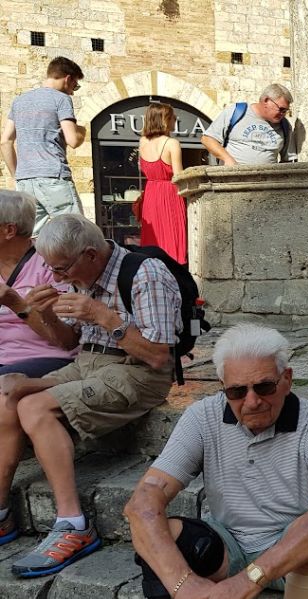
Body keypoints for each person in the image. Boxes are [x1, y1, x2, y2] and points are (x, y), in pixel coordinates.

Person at [0, 213, 180, 577]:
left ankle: (73, 525)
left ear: (90, 255)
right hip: (88, 364)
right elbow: (68, 342)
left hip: (138, 372)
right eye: (51, 269)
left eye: (62, 269)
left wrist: (104, 316)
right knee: (8, 394)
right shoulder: (77, 275)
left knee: (34, 406)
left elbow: (159, 356)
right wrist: (41, 312)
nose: (56, 278)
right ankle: (1, 515)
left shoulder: (147, 274)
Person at [124, 324, 308, 599]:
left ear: (287, 379)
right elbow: (143, 502)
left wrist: (250, 579)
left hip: (291, 550)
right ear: (223, 388)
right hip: (229, 541)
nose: (252, 401)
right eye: (237, 392)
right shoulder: (202, 417)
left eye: (265, 386)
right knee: (160, 533)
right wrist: (183, 585)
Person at [0, 57, 85, 235]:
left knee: (31, 238)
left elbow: (5, 141)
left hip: (25, 181)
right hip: (53, 175)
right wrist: (82, 131)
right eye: (74, 86)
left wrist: (18, 175)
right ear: (67, 79)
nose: (73, 92)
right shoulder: (61, 99)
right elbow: (73, 140)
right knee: (77, 233)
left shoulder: (19, 101)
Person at [0, 191, 78, 377]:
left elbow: (65, 340)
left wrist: (17, 303)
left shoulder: (51, 264)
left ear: (9, 230)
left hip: (46, 358)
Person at [137, 102, 187, 265]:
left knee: (154, 239)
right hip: (169, 193)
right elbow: (179, 176)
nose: (175, 120)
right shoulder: (172, 143)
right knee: (172, 238)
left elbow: (142, 168)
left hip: (151, 195)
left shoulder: (143, 141)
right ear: (165, 120)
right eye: (173, 117)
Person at [201, 84, 298, 165]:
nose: (283, 114)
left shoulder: (285, 126)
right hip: (231, 181)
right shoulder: (236, 112)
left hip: (266, 185)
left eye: (285, 111)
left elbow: (288, 160)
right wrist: (227, 159)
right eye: (281, 109)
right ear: (266, 101)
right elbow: (207, 139)